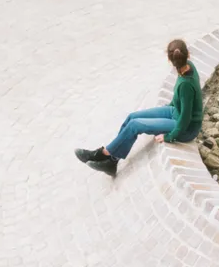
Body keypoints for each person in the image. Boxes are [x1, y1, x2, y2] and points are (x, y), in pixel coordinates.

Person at [76, 39, 203, 177]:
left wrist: (169, 137)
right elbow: (181, 100)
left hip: (186, 128)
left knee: (134, 125)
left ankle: (103, 154)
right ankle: (112, 160)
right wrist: (170, 107)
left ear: (169, 59)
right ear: (187, 54)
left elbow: (185, 118)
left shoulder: (186, 84)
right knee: (132, 117)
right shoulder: (189, 66)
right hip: (176, 113)